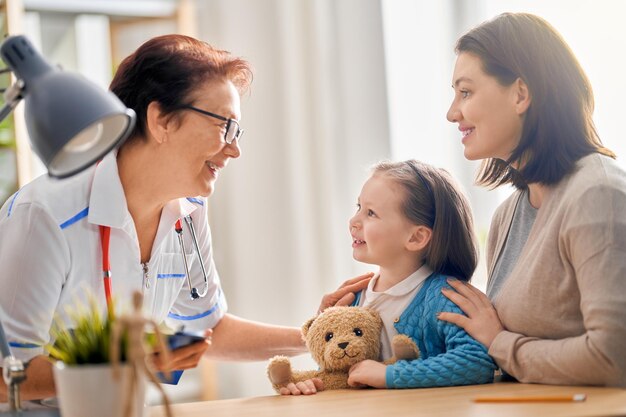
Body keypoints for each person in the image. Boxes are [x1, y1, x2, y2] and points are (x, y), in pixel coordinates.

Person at [0, 34, 371, 402]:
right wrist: (133, 363)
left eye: (236, 130)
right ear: (161, 119)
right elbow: (7, 377)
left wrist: (320, 335)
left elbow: (210, 328)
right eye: (223, 125)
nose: (235, 149)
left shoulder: (188, 210)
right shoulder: (44, 217)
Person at [441, 12, 626, 387]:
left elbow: (613, 356)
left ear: (521, 94)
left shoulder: (596, 197)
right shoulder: (508, 214)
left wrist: (499, 342)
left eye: (466, 92)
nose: (452, 113)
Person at [281, 160, 497, 395]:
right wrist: (313, 382)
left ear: (416, 238)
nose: (354, 221)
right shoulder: (353, 299)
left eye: (371, 213)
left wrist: (390, 375)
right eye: (358, 207)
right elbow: (342, 370)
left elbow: (476, 363)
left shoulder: (443, 297)